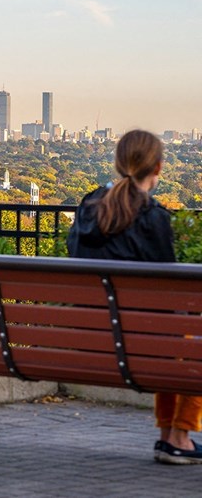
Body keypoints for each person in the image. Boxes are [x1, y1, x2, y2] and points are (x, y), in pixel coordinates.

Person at [67, 129, 202, 465]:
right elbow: (167, 290)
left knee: (176, 340)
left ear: (118, 163)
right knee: (189, 343)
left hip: (85, 338)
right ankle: (178, 437)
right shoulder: (153, 217)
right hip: (140, 342)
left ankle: (168, 437)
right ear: (157, 168)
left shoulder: (88, 208)